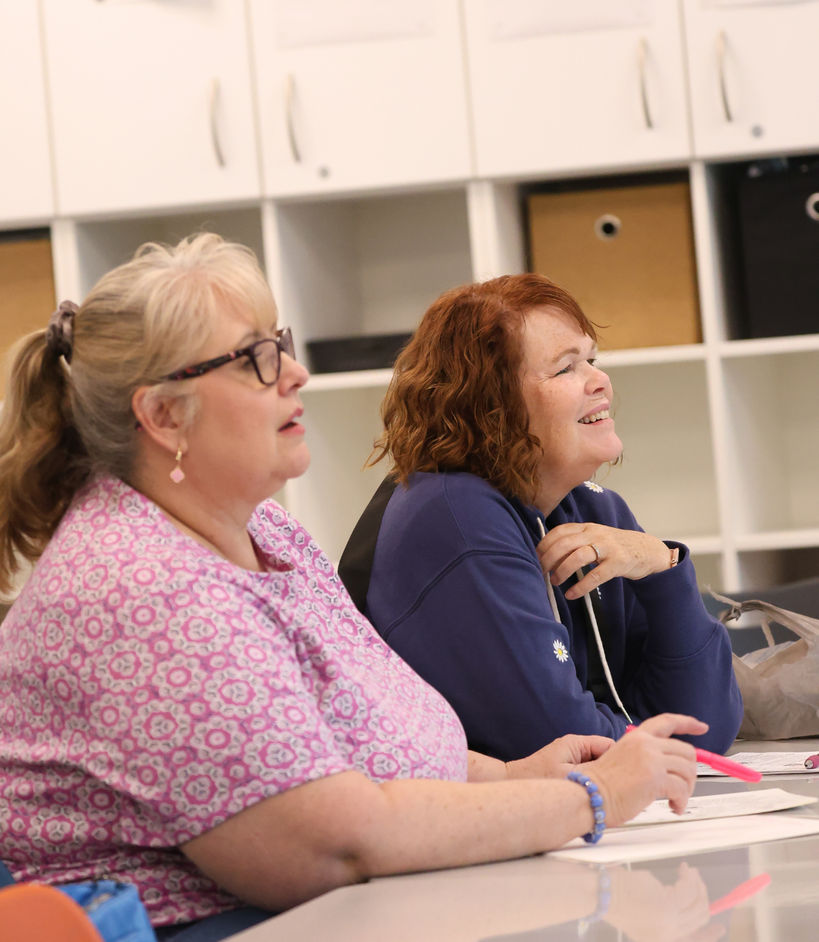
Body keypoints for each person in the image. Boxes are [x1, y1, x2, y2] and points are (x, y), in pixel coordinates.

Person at [0, 236, 705, 941]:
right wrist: (594, 796)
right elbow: (332, 842)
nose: (297, 373)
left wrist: (516, 777)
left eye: (282, 343)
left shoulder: (269, 536)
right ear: (162, 416)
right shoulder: (144, 590)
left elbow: (356, 738)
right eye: (256, 359)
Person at [339, 274, 743, 762]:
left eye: (591, 359)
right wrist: (657, 743)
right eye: (566, 368)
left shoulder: (593, 511)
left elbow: (706, 732)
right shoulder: (455, 518)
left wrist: (663, 568)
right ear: (491, 404)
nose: (600, 381)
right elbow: (563, 744)